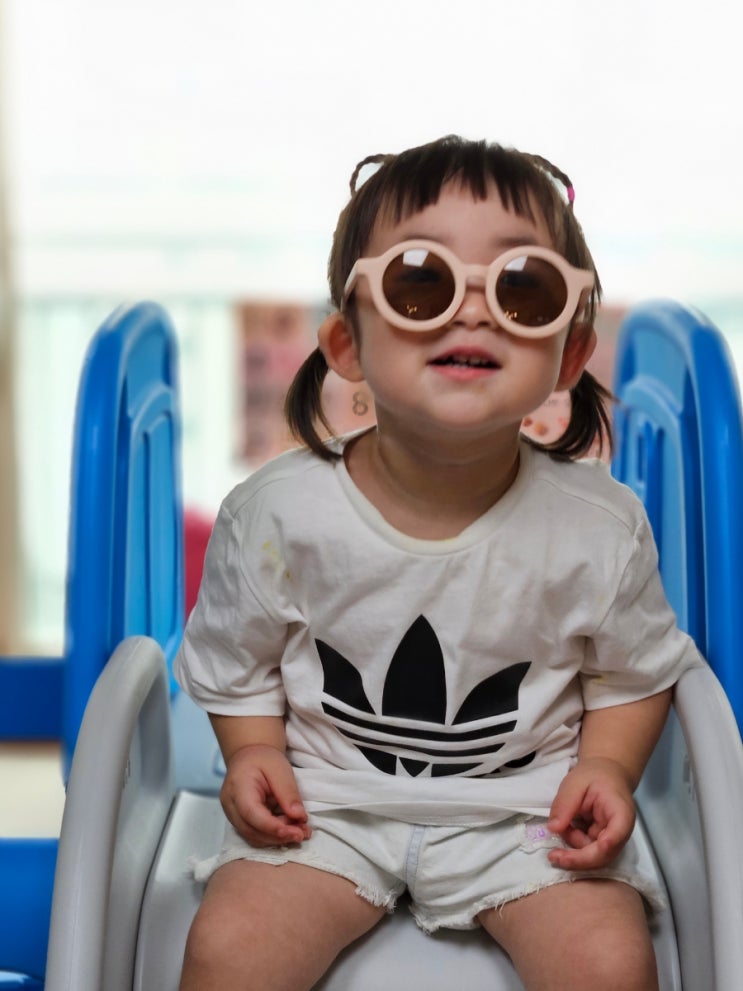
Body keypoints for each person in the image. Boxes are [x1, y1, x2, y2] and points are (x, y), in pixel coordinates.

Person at [175, 135, 702, 991]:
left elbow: (632, 673)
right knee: (229, 948)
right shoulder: (276, 515)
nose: (473, 312)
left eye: (522, 288)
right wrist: (252, 751)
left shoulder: (599, 527)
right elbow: (236, 664)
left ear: (568, 356)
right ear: (346, 344)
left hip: (525, 816)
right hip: (326, 808)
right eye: (420, 282)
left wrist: (606, 768)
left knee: (609, 960)